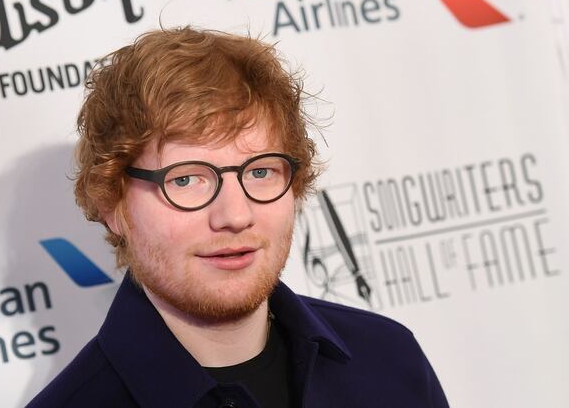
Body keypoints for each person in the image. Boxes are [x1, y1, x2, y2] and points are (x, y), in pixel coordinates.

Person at [26, 27, 449, 408]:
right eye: (187, 179)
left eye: (261, 171)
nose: (235, 215)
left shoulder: (390, 359)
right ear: (112, 206)